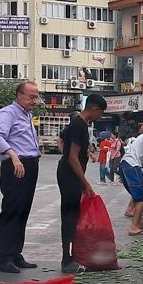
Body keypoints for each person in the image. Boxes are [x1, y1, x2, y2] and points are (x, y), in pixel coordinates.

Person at [0, 81, 42, 273]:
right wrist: (13, 156)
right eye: (31, 97)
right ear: (19, 95)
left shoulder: (26, 115)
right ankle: (4, 257)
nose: (34, 101)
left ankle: (15, 253)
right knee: (11, 210)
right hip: (15, 165)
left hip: (29, 164)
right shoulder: (7, 113)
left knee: (23, 210)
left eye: (36, 97)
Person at [57, 94, 105, 273]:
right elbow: (72, 157)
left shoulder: (76, 123)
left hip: (67, 173)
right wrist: (85, 183)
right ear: (93, 108)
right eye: (100, 113)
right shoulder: (80, 126)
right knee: (70, 218)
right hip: (70, 176)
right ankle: (68, 260)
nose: (100, 117)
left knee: (72, 216)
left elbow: (62, 141)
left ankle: (71, 256)